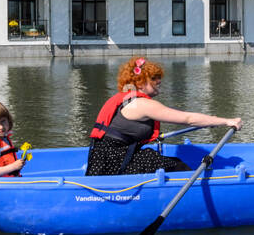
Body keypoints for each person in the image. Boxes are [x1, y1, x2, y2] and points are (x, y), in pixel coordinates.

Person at [86, 58, 242, 176]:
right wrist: (227, 121)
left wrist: (210, 121)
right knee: (178, 167)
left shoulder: (126, 99)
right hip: (115, 162)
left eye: (158, 77)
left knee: (167, 162)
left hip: (102, 162)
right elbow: (188, 119)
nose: (159, 81)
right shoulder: (141, 104)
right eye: (153, 78)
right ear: (139, 83)